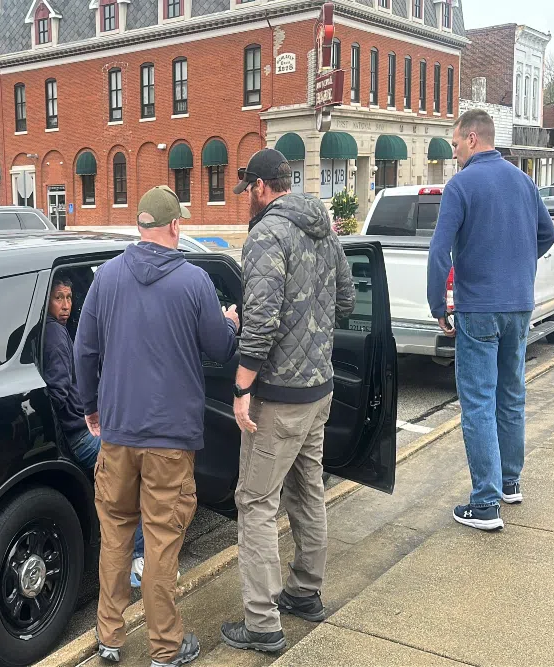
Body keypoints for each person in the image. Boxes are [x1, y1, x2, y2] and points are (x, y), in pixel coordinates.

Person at [75, 185, 239, 667]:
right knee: (162, 543)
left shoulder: (106, 277)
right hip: (170, 440)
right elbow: (219, 348)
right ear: (174, 226)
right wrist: (230, 322)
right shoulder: (194, 282)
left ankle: (109, 637)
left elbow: (84, 351)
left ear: (140, 227)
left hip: (118, 434)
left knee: (115, 535)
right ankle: (166, 648)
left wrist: (91, 408)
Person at [221, 149, 355, 654]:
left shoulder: (266, 236)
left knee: (255, 502)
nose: (246, 201)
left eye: (248, 192)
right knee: (307, 490)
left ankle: (261, 622)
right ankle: (305, 592)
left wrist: (242, 387)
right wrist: (313, 331)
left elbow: (260, 322)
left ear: (260, 187)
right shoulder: (325, 229)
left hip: (278, 398)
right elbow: (346, 300)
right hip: (320, 390)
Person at [427, 109, 554, 531]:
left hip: (479, 308)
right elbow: (548, 234)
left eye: (455, 144)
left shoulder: (461, 185)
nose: (454, 152)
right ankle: (509, 482)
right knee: (511, 394)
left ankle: (484, 504)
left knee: (478, 401)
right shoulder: (523, 181)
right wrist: (517, 266)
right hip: (519, 306)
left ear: (472, 138)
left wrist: (438, 305)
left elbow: (439, 250)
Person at [41, 275, 148, 583]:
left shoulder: (56, 330)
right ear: (47, 302)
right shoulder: (54, 334)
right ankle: (138, 560)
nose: (65, 305)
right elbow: (58, 391)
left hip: (81, 427)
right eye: (58, 298)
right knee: (140, 475)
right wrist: (81, 416)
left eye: (69, 298)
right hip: (80, 434)